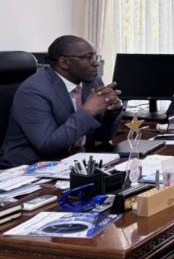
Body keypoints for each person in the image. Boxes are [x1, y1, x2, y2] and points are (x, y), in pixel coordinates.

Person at [0, 35, 122, 168]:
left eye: (95, 56)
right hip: (28, 168)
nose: (96, 63)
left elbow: (102, 137)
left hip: (73, 161)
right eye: (88, 57)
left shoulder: (92, 82)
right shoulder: (33, 91)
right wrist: (87, 111)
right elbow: (48, 146)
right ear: (64, 62)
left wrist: (112, 112)